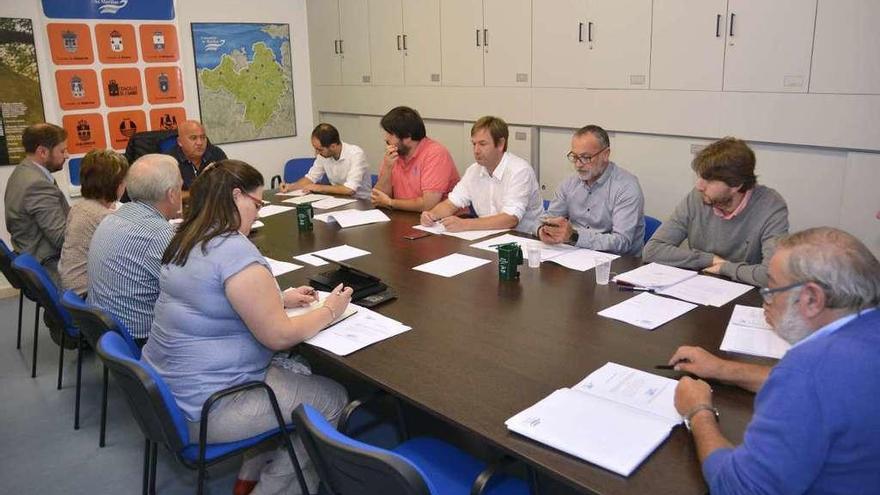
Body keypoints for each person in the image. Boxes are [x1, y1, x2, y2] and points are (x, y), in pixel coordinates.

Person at [142, 159, 352, 495]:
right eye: (257, 204)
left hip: (170, 393)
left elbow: (210, 297)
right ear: (236, 196)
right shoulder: (236, 252)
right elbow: (279, 336)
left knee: (298, 374)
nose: (258, 213)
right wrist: (330, 309)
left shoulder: (187, 238)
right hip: (210, 408)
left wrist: (276, 298)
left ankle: (250, 473)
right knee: (331, 399)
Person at [669, 227, 880, 494]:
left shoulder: (808, 371)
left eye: (772, 288)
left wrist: (698, 411)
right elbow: (832, 386)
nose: (766, 299)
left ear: (812, 299)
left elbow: (739, 488)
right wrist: (723, 369)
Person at [643, 137, 788, 286]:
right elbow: (652, 250)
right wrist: (710, 260)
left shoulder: (771, 206)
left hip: (746, 295)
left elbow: (774, 275)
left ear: (736, 185)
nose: (699, 185)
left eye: (709, 180)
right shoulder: (697, 197)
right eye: (700, 177)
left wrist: (725, 268)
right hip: (701, 289)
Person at [87, 154, 181, 346]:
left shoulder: (114, 217)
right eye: (181, 186)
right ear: (171, 194)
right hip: (140, 337)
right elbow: (190, 292)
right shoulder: (159, 235)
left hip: (109, 332)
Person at [535, 125, 645, 256]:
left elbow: (622, 242)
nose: (578, 164)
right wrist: (542, 229)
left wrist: (575, 237)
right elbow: (548, 218)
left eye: (586, 157)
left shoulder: (626, 187)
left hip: (616, 263)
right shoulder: (569, 183)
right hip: (574, 255)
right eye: (574, 157)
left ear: (605, 154)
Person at [420, 116, 541, 233]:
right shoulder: (473, 171)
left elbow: (511, 219)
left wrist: (465, 224)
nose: (476, 150)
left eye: (482, 144)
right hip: (487, 237)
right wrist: (432, 215)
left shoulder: (519, 171)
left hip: (524, 240)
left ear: (500, 144)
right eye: (474, 144)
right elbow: (451, 203)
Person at [4, 123, 70, 283]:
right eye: (62, 151)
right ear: (42, 152)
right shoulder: (36, 184)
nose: (67, 155)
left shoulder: (23, 171)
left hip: (31, 255)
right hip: (47, 264)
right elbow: (62, 239)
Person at [60, 149, 128, 295]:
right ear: (115, 184)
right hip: (87, 294)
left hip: (72, 290)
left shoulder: (80, 207)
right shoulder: (104, 218)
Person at [371, 106, 459, 212]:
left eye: (390, 134)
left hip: (442, 221)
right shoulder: (395, 154)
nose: (386, 138)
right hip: (406, 216)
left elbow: (428, 205)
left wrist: (391, 203)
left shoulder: (435, 154)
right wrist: (387, 167)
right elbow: (378, 199)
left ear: (408, 137)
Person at [279, 123, 371, 199]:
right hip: (337, 200)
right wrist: (291, 187)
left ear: (333, 146)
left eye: (320, 149)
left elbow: (350, 189)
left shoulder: (356, 154)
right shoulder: (323, 155)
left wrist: (319, 188)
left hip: (361, 202)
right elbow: (311, 178)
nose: (317, 153)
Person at [167, 119, 227, 193]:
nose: (199, 143)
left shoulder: (216, 154)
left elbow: (228, 184)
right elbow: (167, 196)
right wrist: (197, 190)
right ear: (180, 142)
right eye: (193, 138)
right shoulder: (169, 161)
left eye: (203, 137)